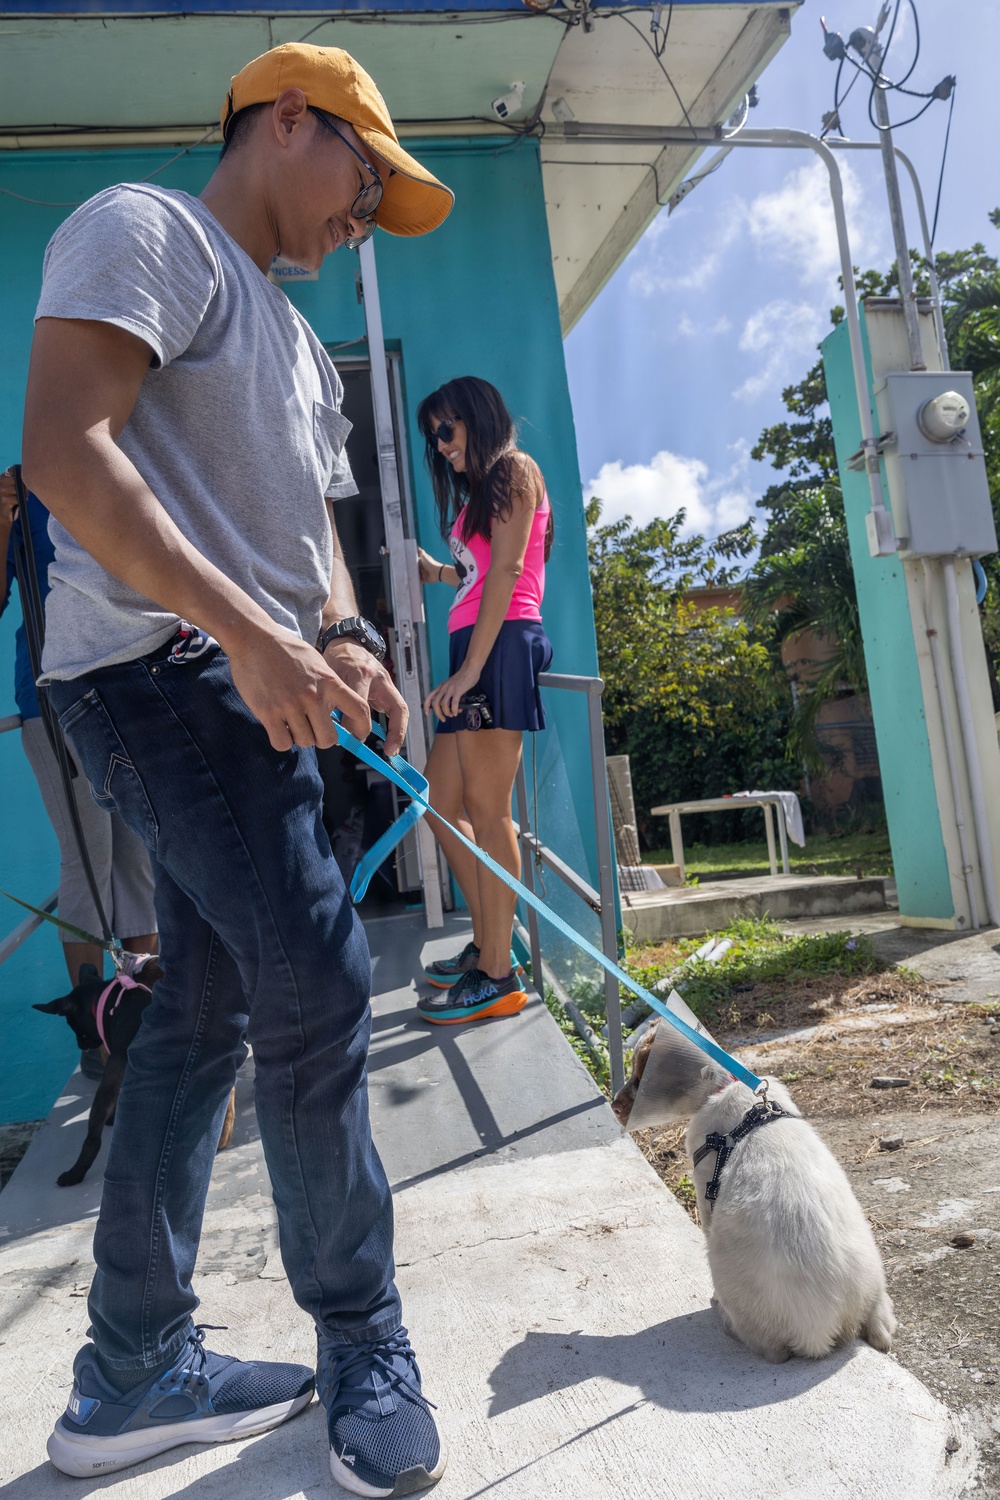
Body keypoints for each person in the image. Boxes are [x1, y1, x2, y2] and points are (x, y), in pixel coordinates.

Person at [22, 43, 453, 1495]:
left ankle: (133, 1373)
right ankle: (363, 1342)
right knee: (321, 988)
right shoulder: (148, 231)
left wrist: (334, 626)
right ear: (286, 123)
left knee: (203, 1027)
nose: (368, 214)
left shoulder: (287, 334)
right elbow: (64, 453)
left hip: (247, 686)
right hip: (154, 679)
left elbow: (312, 530)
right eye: (367, 177)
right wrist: (255, 635)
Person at [414, 377, 553, 1024]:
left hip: (497, 650)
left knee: (487, 809)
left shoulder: (515, 470)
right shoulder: (481, 492)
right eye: (432, 435)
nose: (439, 445)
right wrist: (437, 572)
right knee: (441, 803)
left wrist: (471, 670)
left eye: (447, 429)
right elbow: (476, 570)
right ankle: (491, 940)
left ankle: (499, 973)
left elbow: (509, 570)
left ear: (478, 417)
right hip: (472, 647)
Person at [1, 467, 158, 997]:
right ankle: (94, 1024)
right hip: (51, 697)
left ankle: (147, 1009)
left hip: (127, 688)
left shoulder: (115, 475)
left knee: (137, 853)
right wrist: (2, 518)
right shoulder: (20, 493)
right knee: (90, 855)